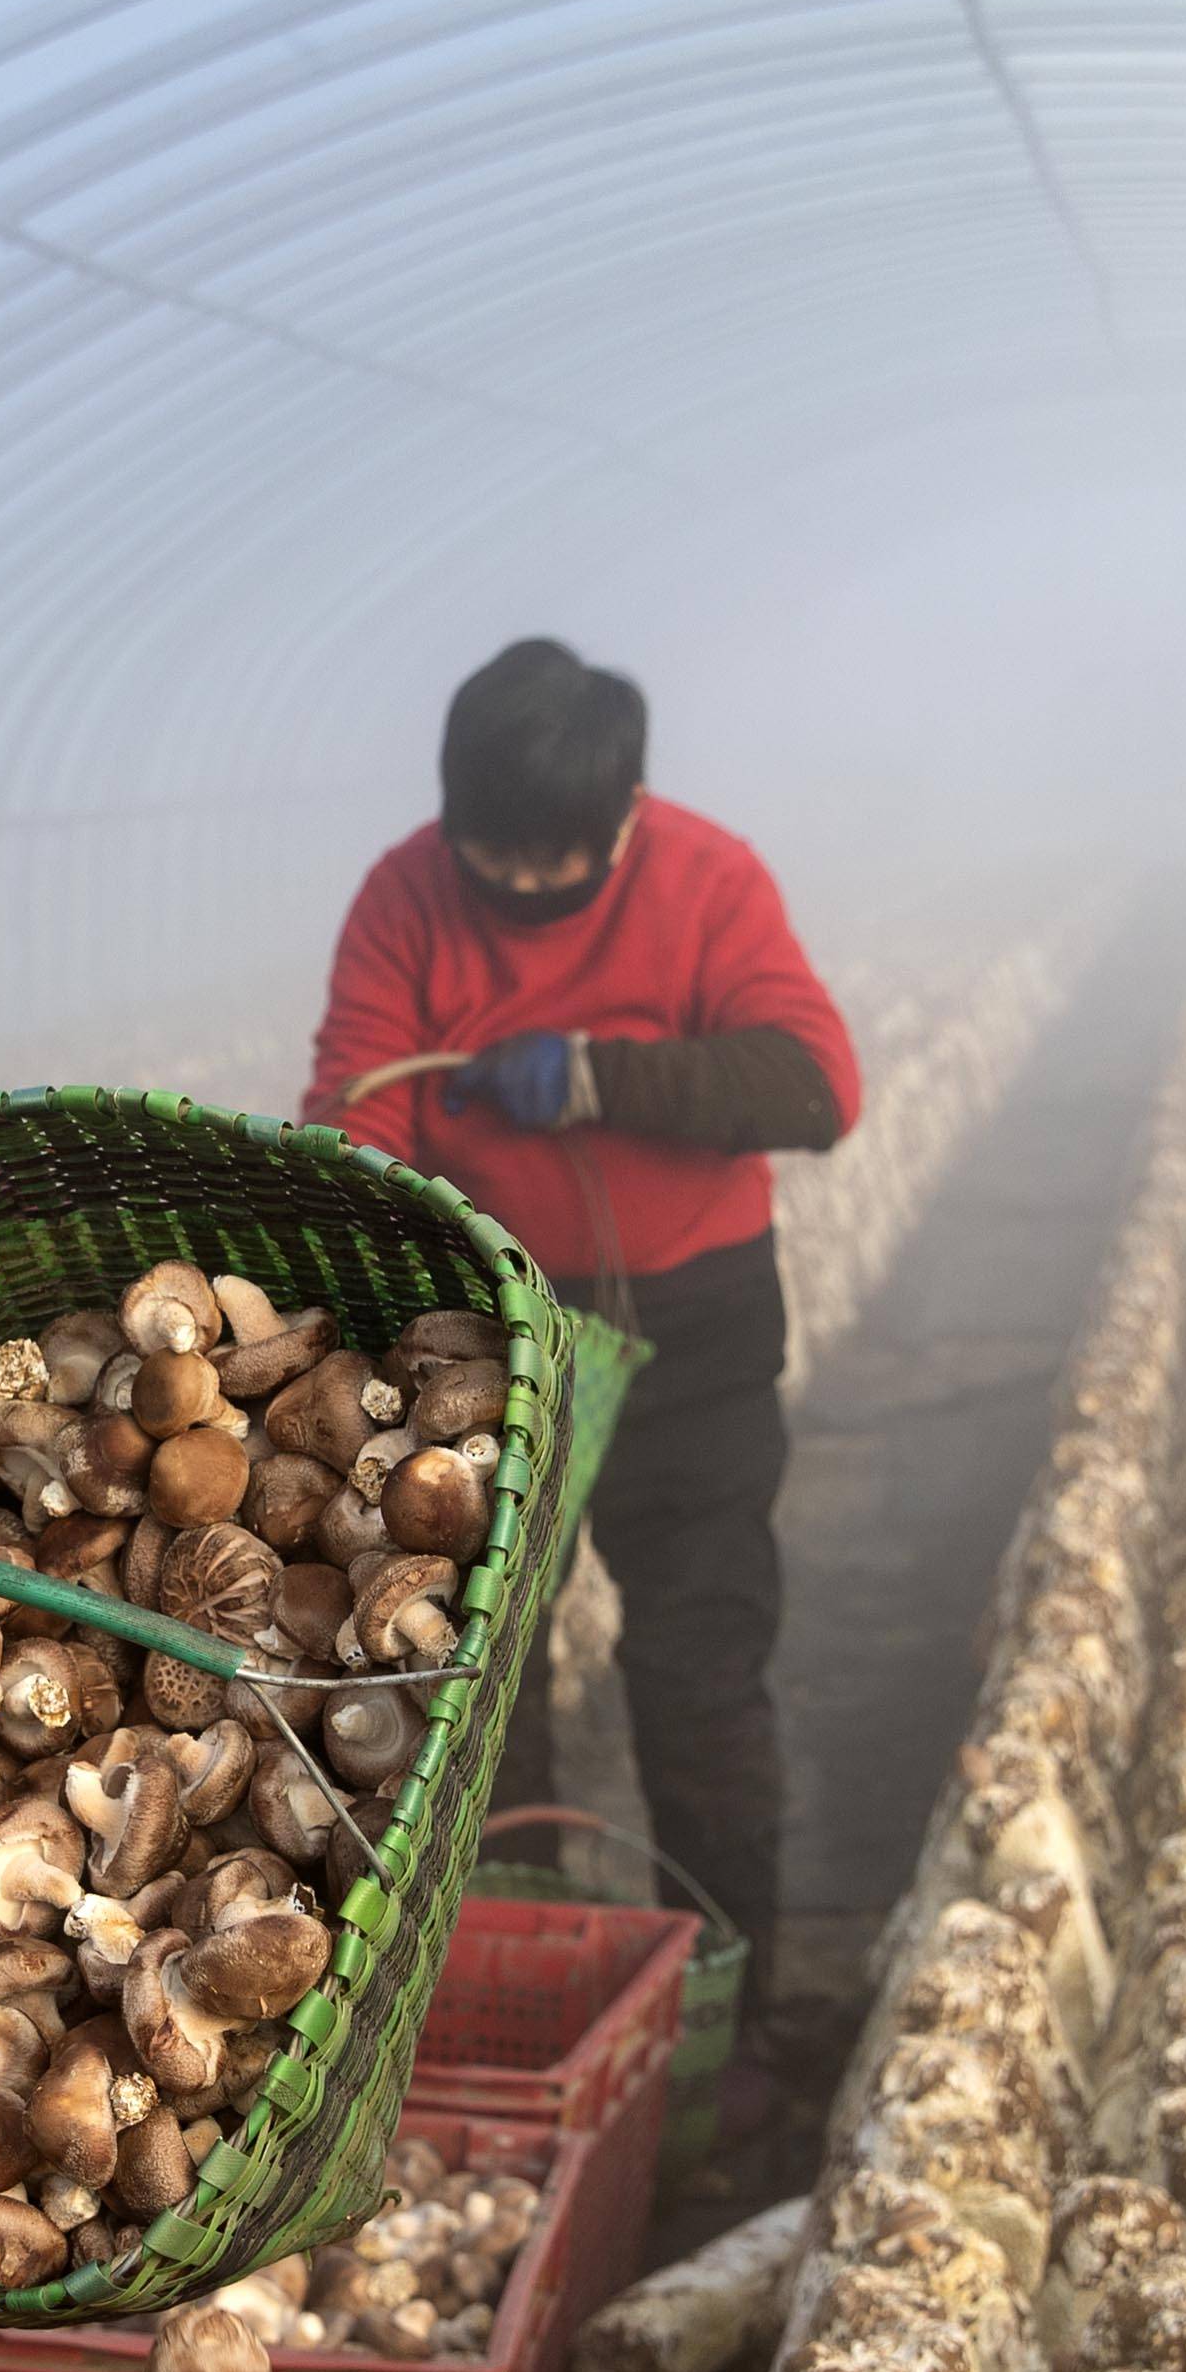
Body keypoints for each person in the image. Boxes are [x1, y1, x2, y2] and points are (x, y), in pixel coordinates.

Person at [305, 638, 857, 2023]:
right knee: (477, 1667)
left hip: (691, 1323)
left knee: (696, 1664)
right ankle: (521, 1974)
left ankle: (731, 1998)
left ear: (624, 813)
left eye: (566, 860)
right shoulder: (405, 897)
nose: (531, 887)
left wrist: (600, 1075)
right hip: (490, 1345)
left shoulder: (705, 878)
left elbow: (810, 1083)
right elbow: (357, 1107)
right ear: (453, 819)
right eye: (501, 856)